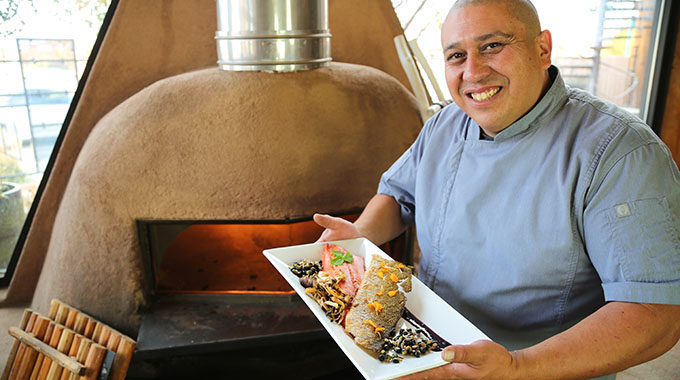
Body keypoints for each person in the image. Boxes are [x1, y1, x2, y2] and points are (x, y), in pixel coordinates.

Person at [313, 0, 680, 379]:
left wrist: (516, 367)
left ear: (542, 49)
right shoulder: (446, 124)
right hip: (425, 351)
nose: (473, 71)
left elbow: (655, 315)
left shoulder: (621, 152)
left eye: (492, 46)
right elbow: (398, 195)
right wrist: (360, 235)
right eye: (457, 55)